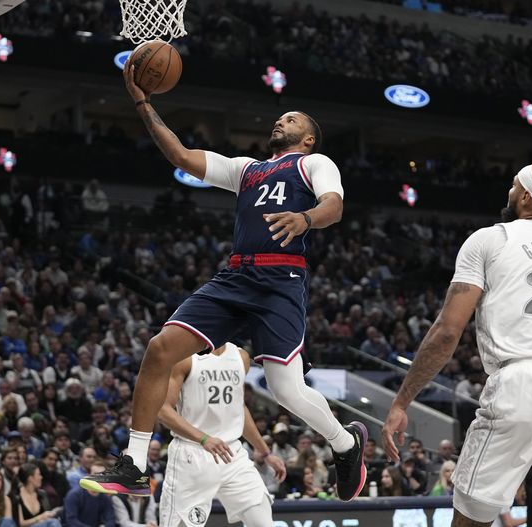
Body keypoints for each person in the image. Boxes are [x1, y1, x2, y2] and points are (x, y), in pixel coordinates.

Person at [81, 59, 366, 502]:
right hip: (236, 275)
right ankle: (135, 465)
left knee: (285, 387)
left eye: (290, 118)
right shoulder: (247, 169)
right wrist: (141, 102)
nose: (280, 119)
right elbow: (180, 155)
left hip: (280, 278)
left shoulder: (314, 163)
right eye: (280, 116)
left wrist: (305, 218)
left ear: (307, 137)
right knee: (159, 349)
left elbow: (335, 206)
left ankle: (346, 443)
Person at [382, 163, 532, 527]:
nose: (508, 192)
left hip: (523, 381)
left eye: (512, 185)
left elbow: (447, 332)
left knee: (472, 515)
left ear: (525, 195)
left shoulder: (490, 239)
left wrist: (402, 400)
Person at [155, 342, 286, 526]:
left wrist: (266, 453)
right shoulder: (184, 356)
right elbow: (163, 410)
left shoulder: (241, 356)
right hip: (193, 454)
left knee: (263, 521)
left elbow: (238, 409)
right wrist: (203, 438)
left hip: (232, 453)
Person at [64, 462, 115, 527]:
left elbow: (111, 518)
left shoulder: (105, 497)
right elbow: (71, 521)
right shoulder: (74, 495)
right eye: (96, 474)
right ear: (88, 475)